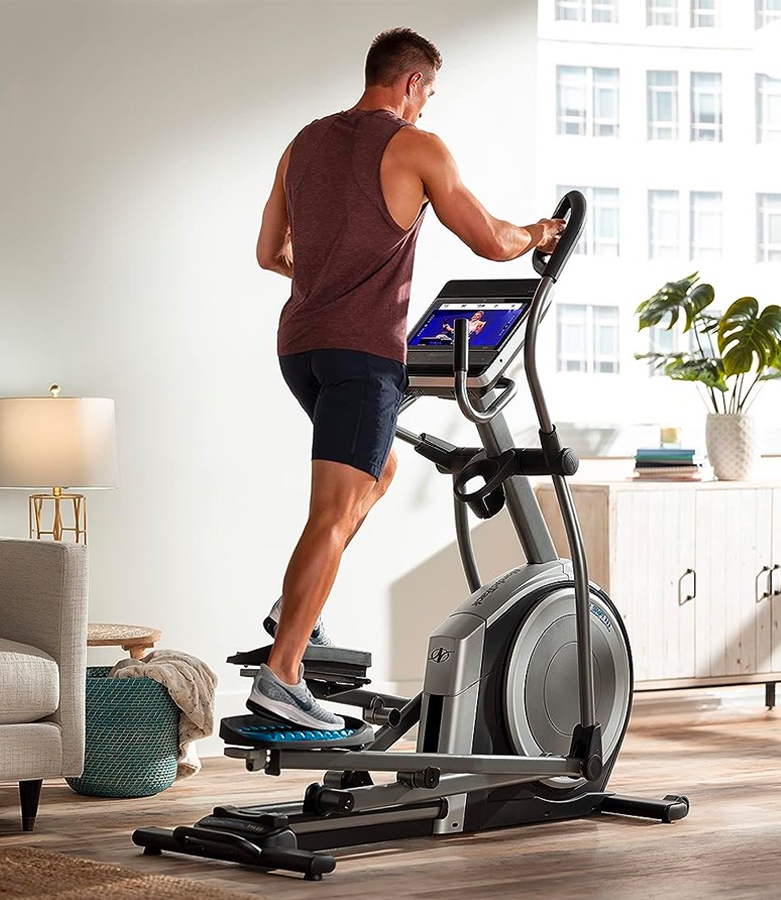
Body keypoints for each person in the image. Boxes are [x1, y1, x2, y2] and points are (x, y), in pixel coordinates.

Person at [248, 27, 565, 730]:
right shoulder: (416, 146)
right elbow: (491, 240)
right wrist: (540, 233)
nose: (425, 110)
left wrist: (327, 278)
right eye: (428, 96)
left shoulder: (302, 143)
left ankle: (291, 609)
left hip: (299, 349)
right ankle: (283, 673)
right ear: (413, 83)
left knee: (379, 469)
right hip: (362, 354)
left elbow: (270, 251)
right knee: (333, 510)